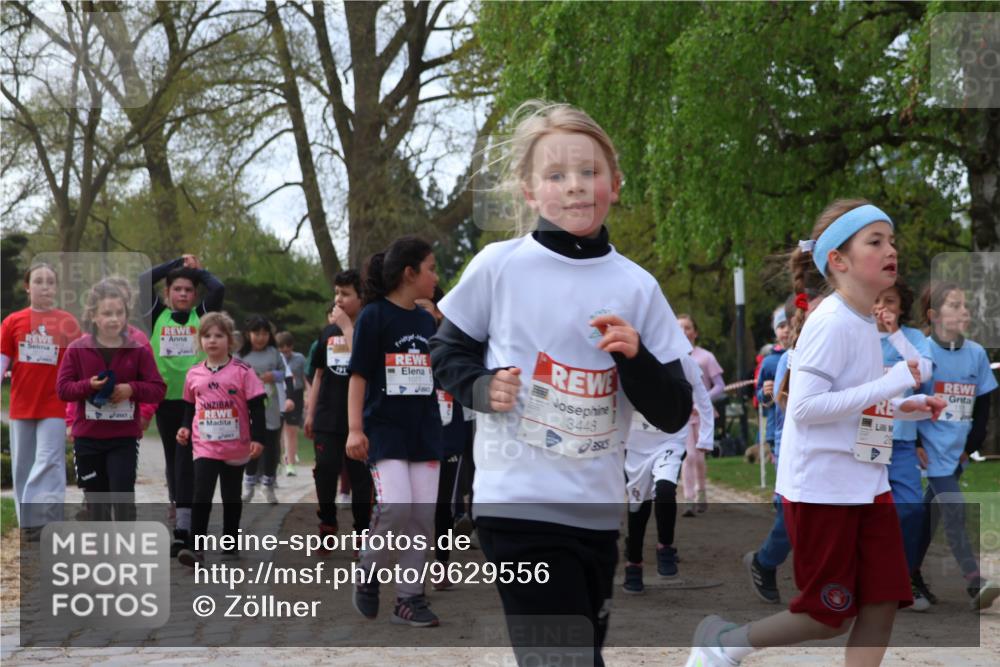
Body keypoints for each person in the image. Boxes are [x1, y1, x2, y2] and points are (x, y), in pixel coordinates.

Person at [429, 101, 693, 666]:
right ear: (529, 191)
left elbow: (674, 410)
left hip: (596, 512)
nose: (574, 185)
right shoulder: (499, 266)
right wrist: (481, 386)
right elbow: (446, 352)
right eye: (555, 175)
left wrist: (637, 358)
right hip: (516, 504)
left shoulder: (638, 287)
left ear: (614, 184)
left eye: (589, 171)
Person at [685, 199, 946, 667]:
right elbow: (804, 409)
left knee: (884, 599)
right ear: (838, 260)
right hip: (824, 491)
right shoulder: (831, 322)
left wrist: (904, 408)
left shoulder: (863, 319)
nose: (891, 250)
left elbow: (850, 398)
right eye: (875, 241)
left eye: (891, 240)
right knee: (828, 616)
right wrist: (891, 383)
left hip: (868, 484)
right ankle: (724, 643)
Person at [347, 237, 444, 627]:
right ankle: (368, 570)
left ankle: (409, 598)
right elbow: (358, 376)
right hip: (384, 430)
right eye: (431, 269)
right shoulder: (373, 316)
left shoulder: (426, 321)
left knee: (421, 516)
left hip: (425, 430)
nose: (436, 277)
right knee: (397, 506)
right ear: (409, 273)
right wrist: (355, 429)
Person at [911, 282, 999, 612]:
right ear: (933, 315)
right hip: (928, 453)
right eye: (955, 305)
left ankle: (908, 574)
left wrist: (971, 446)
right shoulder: (922, 353)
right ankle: (974, 581)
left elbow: (983, 406)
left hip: (957, 453)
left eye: (965, 305)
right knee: (953, 509)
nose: (965, 311)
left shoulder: (976, 354)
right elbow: (908, 400)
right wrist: (916, 443)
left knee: (928, 516)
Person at [56, 280, 165, 522]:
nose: (114, 319)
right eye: (107, 313)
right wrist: (88, 386)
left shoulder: (138, 350)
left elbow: (158, 389)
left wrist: (131, 389)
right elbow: (63, 390)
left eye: (119, 313)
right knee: (96, 505)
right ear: (93, 315)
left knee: (122, 500)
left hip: (123, 439)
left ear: (126, 314)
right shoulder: (76, 349)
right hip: (88, 439)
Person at [140, 254, 224, 555]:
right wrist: (176, 263)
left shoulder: (201, 315)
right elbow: (142, 280)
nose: (184, 294)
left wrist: (197, 271)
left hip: (197, 401)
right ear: (168, 292)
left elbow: (218, 288)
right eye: (177, 289)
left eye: (189, 289)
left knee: (188, 460)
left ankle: (186, 525)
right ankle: (180, 515)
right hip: (165, 400)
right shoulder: (157, 315)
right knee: (174, 458)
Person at [745, 290, 823, 605]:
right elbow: (783, 403)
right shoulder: (788, 358)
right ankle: (765, 561)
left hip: (830, 448)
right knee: (794, 516)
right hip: (792, 448)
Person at [175, 312, 266, 566]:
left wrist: (258, 439)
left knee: (231, 495)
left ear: (230, 340)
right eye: (207, 336)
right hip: (204, 445)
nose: (212, 340)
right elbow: (189, 407)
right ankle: (195, 548)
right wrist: (184, 428)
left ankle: (230, 543)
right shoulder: (194, 373)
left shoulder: (243, 371)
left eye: (218, 335)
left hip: (236, 446)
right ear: (200, 341)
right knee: (201, 492)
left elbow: (257, 406)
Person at [622, 353, 713, 594]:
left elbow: (701, 394)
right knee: (638, 505)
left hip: (670, 438)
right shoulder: (627, 355)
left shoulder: (680, 358)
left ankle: (665, 547)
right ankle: (634, 561)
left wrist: (706, 436)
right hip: (635, 442)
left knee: (664, 489)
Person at [2, 263, 81, 536]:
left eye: (50, 282)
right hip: (21, 405)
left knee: (50, 461)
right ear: (28, 287)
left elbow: (78, 364)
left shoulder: (67, 322)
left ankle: (46, 519)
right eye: (38, 281)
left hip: (55, 404)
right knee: (22, 465)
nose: (45, 287)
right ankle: (27, 522)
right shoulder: (13, 322)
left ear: (56, 288)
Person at [871, 279, 936, 611]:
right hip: (867, 436)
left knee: (910, 509)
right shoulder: (858, 335)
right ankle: (868, 578)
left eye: (890, 301)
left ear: (901, 307)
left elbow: (923, 372)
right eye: (877, 300)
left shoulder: (912, 338)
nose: (882, 307)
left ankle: (902, 577)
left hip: (903, 440)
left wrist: (894, 333)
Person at [304, 270, 373, 549]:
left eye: (345, 294)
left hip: (360, 418)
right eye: (336, 293)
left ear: (361, 297)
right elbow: (319, 375)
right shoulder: (328, 332)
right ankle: (327, 523)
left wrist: (347, 327)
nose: (338, 299)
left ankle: (362, 532)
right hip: (327, 416)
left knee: (360, 478)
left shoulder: (369, 328)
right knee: (325, 470)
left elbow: (365, 359)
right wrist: (311, 413)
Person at [418, 287, 474, 590]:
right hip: (414, 433)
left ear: (438, 312)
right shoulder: (405, 342)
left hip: (449, 431)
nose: (419, 314)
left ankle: (441, 564)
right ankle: (412, 570)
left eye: (425, 308)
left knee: (442, 504)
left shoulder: (453, 342)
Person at [677, 314, 724, 515]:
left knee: (699, 457)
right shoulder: (671, 357)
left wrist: (701, 401)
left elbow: (719, 386)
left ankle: (701, 492)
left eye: (687, 327)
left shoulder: (706, 357)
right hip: (682, 416)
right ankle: (688, 499)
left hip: (703, 415)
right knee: (688, 456)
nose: (683, 332)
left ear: (695, 332)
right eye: (679, 328)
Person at [237, 315, 286, 504]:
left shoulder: (274, 353)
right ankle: (248, 485)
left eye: (265, 334)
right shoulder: (240, 356)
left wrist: (273, 375)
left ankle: (268, 485)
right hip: (247, 410)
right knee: (251, 448)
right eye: (256, 333)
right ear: (248, 334)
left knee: (271, 448)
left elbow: (284, 373)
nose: (260, 337)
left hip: (271, 408)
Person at [755, 305, 791, 459]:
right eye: (781, 326)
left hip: (798, 422)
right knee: (780, 466)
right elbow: (759, 395)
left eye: (790, 325)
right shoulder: (768, 361)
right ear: (775, 331)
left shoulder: (806, 353)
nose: (786, 330)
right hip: (776, 426)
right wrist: (764, 392)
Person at [276, 331, 308, 477]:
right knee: (279, 430)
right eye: (282, 348)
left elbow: (305, 377)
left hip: (296, 394)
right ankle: (279, 460)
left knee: (292, 430)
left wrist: (307, 395)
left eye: (287, 348)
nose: (285, 351)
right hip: (280, 394)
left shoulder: (299, 358)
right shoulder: (275, 359)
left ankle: (290, 463)